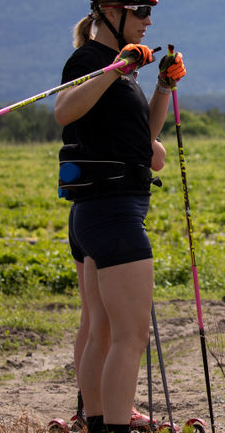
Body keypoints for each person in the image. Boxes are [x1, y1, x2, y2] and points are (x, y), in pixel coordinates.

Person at [55, 0, 185, 433]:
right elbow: (64, 111)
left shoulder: (122, 69)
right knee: (130, 337)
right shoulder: (91, 61)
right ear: (111, 12)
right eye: (140, 11)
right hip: (111, 212)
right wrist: (114, 70)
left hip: (103, 210)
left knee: (104, 332)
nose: (148, 21)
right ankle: (113, 426)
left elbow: (144, 142)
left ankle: (96, 422)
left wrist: (162, 88)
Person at [67, 136, 166, 430]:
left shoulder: (82, 100)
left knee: (96, 324)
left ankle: (92, 413)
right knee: (126, 336)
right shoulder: (117, 96)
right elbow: (157, 158)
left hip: (84, 213)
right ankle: (112, 415)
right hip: (113, 216)